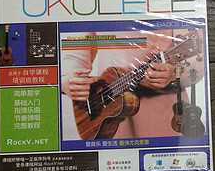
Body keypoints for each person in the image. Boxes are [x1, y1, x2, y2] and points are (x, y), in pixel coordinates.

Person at [61, 28, 204, 139]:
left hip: (163, 109)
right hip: (106, 111)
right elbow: (75, 53)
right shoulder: (94, 3)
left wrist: (175, 73)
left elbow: (199, 60)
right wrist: (69, 80)